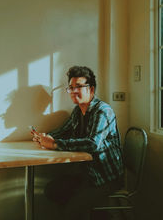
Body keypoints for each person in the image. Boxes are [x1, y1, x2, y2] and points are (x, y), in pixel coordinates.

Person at [31, 66, 124, 220]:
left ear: (91, 89)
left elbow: (93, 144)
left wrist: (54, 144)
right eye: (71, 88)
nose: (74, 92)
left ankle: (89, 214)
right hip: (86, 173)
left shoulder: (103, 111)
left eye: (79, 87)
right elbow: (62, 131)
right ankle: (92, 215)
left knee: (72, 209)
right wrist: (45, 136)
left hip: (106, 177)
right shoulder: (77, 111)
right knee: (52, 190)